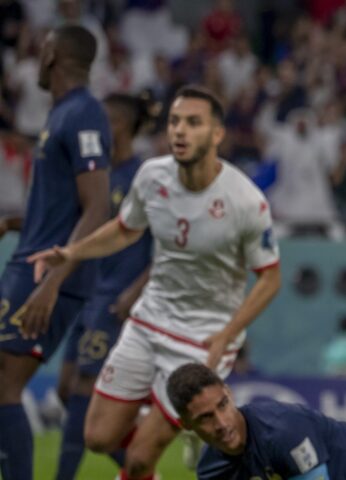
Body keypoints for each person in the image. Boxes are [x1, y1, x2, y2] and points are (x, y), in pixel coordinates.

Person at [28, 85, 282, 480]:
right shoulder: (152, 176)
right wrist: (72, 252)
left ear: (217, 135)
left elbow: (270, 278)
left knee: (140, 460)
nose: (180, 131)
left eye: (193, 123)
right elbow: (125, 230)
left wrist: (228, 335)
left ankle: (166, 434)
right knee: (96, 438)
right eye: (175, 122)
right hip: (148, 321)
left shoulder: (246, 201)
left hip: (202, 338)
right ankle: (168, 421)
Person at [0, 25, 111, 480]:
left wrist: (51, 281)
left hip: (46, 275)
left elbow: (99, 207)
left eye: (41, 47)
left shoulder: (84, 114)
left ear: (52, 56)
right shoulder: (62, 114)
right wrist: (11, 224)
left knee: (5, 385)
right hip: (32, 262)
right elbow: (61, 212)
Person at [53, 93, 157, 480]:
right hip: (84, 293)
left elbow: (164, 249)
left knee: (83, 386)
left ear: (123, 125)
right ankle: (140, 472)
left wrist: (134, 293)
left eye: (107, 121)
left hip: (114, 296)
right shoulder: (97, 174)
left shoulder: (143, 176)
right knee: (66, 389)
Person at [166, 363, 346, 480]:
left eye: (223, 406)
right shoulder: (212, 469)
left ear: (229, 393)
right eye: (205, 418)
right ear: (186, 424)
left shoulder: (282, 431)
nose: (221, 423)